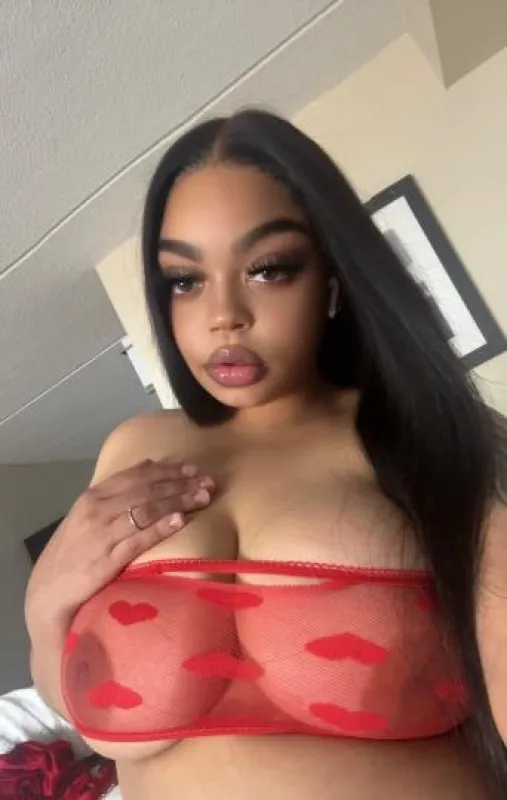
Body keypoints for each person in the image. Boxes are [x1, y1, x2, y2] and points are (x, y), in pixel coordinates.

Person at [25, 109, 507, 800]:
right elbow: (95, 724)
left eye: (269, 269)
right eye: (184, 280)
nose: (224, 314)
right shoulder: (135, 448)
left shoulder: (441, 437)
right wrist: (45, 609)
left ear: (332, 278)